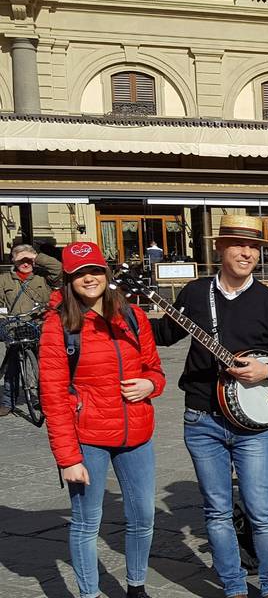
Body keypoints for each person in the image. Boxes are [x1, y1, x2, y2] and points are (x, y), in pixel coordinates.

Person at [151, 215, 268, 598]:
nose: (247, 253)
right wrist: (124, 315)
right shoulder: (194, 293)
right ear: (219, 247)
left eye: (254, 247)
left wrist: (266, 369)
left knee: (261, 510)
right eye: (238, 244)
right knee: (217, 512)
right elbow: (164, 335)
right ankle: (234, 587)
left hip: (253, 425)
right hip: (202, 416)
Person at [39, 241, 165, 598]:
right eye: (80, 273)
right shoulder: (58, 325)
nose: (89, 278)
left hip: (137, 434)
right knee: (85, 524)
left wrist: (149, 384)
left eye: (94, 270)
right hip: (87, 438)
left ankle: (136, 587)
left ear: (106, 273)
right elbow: (53, 396)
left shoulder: (132, 316)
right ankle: (89, 594)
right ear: (68, 278)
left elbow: (155, 370)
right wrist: (68, 459)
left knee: (143, 517)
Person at [0, 243, 62, 416]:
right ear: (13, 260)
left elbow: (59, 268)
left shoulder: (42, 277)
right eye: (21, 260)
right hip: (14, 327)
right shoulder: (4, 279)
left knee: (45, 366)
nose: (25, 263)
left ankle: (45, 399)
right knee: (12, 367)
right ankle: (8, 402)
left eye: (28, 259)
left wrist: (36, 257)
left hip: (40, 325)